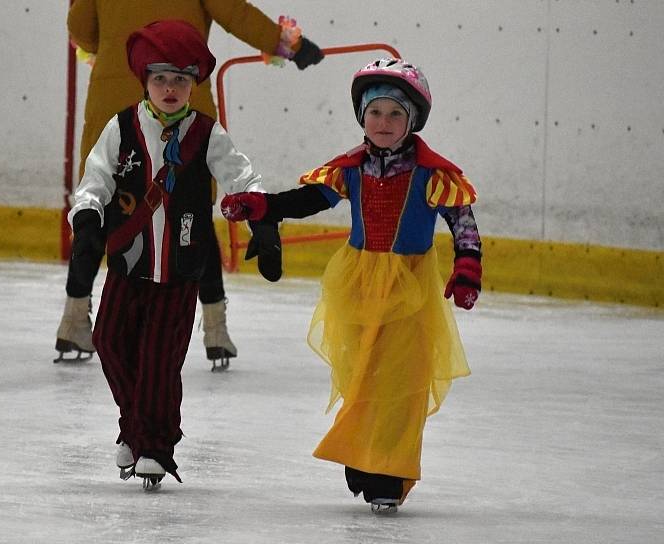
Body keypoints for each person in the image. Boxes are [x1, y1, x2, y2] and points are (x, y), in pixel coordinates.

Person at [221, 58, 482, 512]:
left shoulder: (432, 174)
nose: (384, 123)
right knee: (362, 375)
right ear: (362, 117)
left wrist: (467, 269)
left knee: (403, 380)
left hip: (411, 286)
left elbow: (463, 223)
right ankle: (363, 451)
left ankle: (391, 473)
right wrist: (262, 207)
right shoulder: (352, 168)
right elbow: (307, 200)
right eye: (375, 112)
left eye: (395, 114)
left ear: (412, 120)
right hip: (359, 281)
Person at [57, 0, 324, 367]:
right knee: (191, 212)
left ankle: (73, 321)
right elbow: (235, 13)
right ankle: (215, 330)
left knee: (99, 214)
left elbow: (82, 28)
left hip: (116, 95)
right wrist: (288, 45)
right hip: (181, 99)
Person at [69, 19, 270, 488]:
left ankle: (155, 447)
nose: (171, 88)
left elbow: (242, 177)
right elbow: (94, 180)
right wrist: (85, 217)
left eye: (181, 79)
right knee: (109, 343)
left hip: (181, 271)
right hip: (128, 265)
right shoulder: (120, 128)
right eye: (161, 78)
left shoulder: (206, 134)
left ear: (193, 84)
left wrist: (261, 217)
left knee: (161, 361)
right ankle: (135, 428)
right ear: (145, 81)